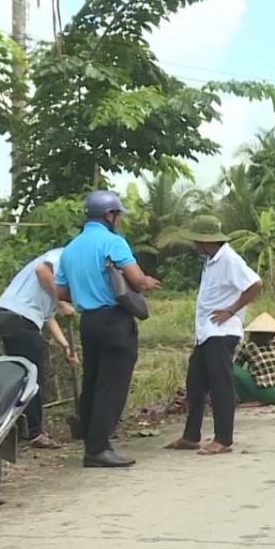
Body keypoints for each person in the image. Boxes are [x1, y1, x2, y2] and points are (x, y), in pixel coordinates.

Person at [55, 189, 160, 468]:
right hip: (115, 320)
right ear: (109, 215)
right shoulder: (113, 242)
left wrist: (86, 288)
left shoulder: (70, 249)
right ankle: (98, 449)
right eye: (117, 214)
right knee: (111, 386)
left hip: (88, 322)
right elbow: (136, 281)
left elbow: (61, 291)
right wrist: (147, 282)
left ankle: (91, 441)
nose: (119, 220)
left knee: (92, 382)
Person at [165, 216, 262, 456]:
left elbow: (255, 284)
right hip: (207, 332)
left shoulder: (229, 259)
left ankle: (223, 438)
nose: (194, 245)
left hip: (222, 331)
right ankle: (191, 435)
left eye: (196, 240)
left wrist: (231, 309)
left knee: (221, 385)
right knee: (195, 382)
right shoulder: (211, 260)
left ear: (205, 240)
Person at [0, 247, 77, 449]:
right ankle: (34, 433)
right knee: (33, 378)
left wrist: (66, 346)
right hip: (20, 316)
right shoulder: (62, 256)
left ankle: (19, 430)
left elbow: (47, 316)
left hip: (17, 316)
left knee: (22, 377)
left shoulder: (57, 278)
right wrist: (61, 302)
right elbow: (41, 271)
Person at [233, 313, 275, 407]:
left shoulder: (248, 346)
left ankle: (249, 399)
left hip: (267, 393)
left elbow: (237, 366)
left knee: (231, 368)